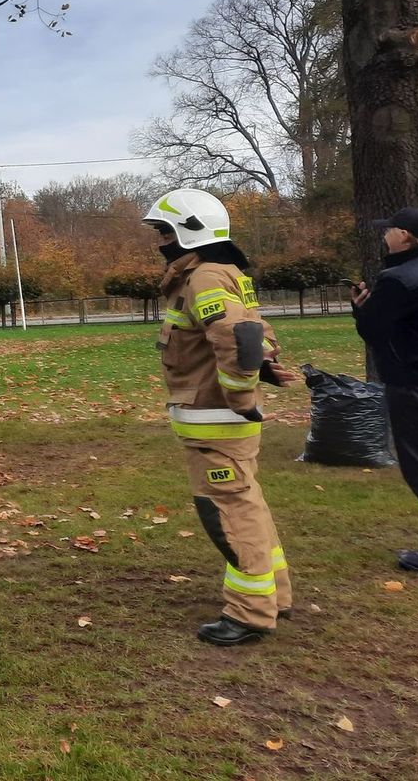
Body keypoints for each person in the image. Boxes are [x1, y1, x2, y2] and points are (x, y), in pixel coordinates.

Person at [143, 187, 297, 646]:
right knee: (249, 506)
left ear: (191, 232)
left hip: (216, 420)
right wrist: (263, 369)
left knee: (227, 512)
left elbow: (238, 334)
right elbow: (254, 333)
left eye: (166, 232)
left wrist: (241, 396)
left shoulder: (204, 276)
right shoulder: (222, 273)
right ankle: (274, 595)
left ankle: (250, 612)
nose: (161, 243)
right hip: (218, 418)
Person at [351, 206, 418, 575]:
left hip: (416, 384)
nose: (384, 235)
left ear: (403, 236)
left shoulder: (398, 278)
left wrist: (361, 308)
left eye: (388, 230)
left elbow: (374, 330)